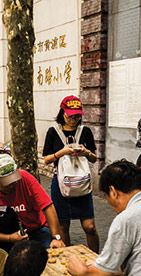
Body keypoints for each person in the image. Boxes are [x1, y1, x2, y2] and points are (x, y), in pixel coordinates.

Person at [0, 153, 66, 252]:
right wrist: (9, 238)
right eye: (6, 184)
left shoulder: (25, 178)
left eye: (13, 181)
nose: (11, 186)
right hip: (1, 236)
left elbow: (48, 206)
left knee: (52, 249)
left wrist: (57, 237)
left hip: (34, 231)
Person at [42, 95, 99, 252]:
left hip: (82, 183)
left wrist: (86, 152)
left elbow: (94, 158)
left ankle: (97, 258)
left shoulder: (85, 132)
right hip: (61, 183)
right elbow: (46, 159)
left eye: (76, 116)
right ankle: (67, 257)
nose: (73, 120)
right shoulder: (53, 132)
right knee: (63, 225)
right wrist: (62, 152)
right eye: (69, 116)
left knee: (90, 226)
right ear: (62, 113)